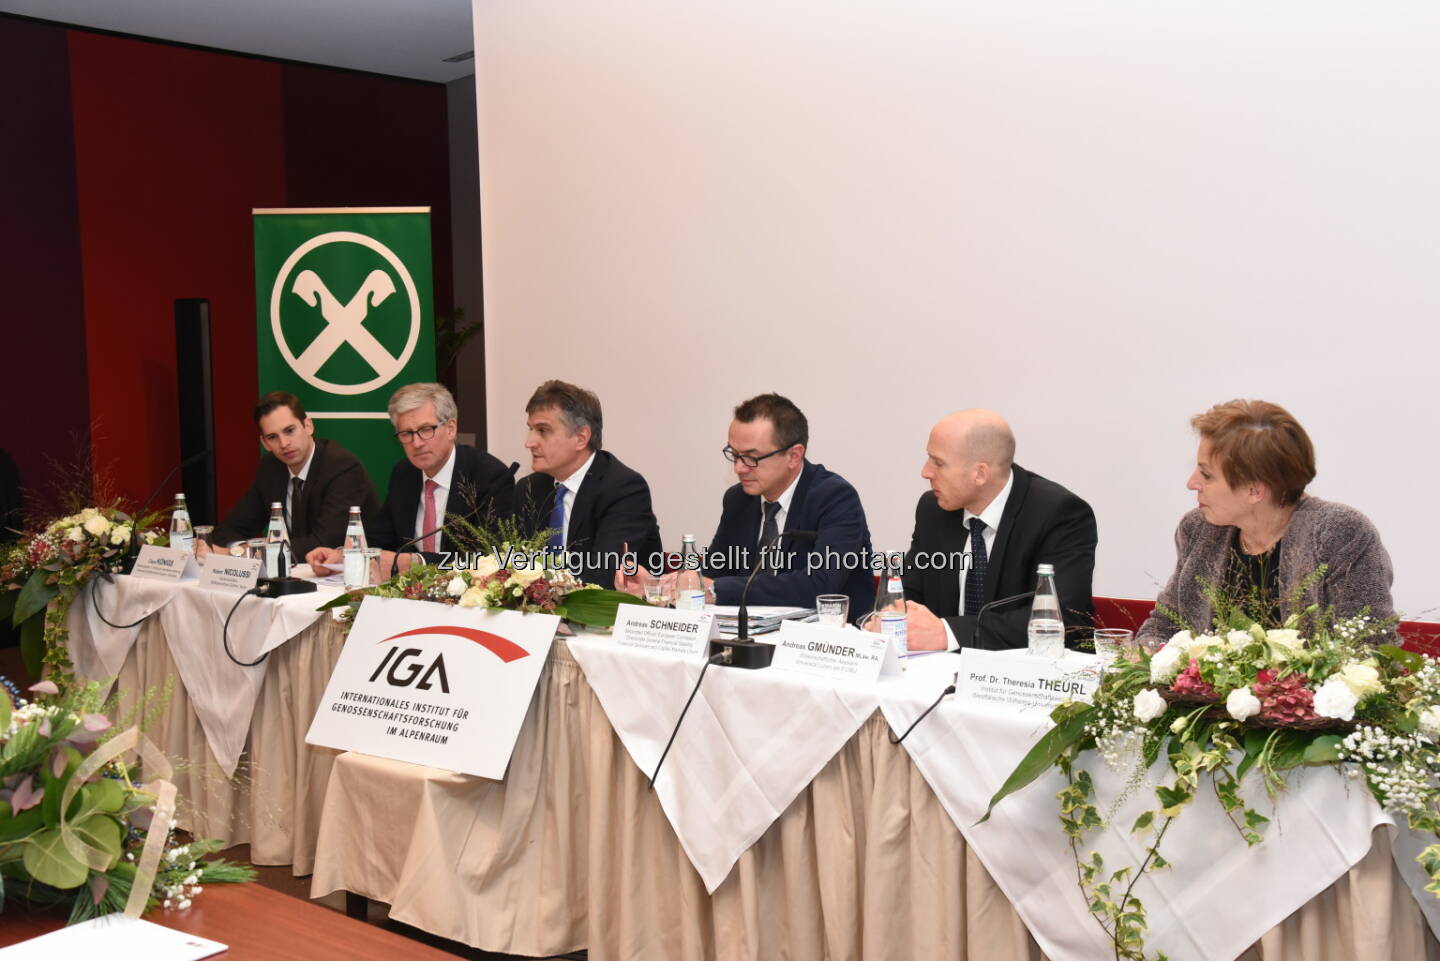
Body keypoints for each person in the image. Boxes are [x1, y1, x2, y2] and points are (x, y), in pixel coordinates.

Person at [1136, 399, 1394, 645]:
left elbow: (1369, 650)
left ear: (1254, 491)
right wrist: (1146, 655)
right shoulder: (1199, 528)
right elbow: (1164, 626)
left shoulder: (1340, 533)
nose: (1191, 483)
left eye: (1206, 474)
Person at [620, 393, 872, 616]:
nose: (738, 468)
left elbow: (818, 585)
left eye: (751, 458)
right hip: (751, 634)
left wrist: (714, 588)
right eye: (734, 454)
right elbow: (715, 570)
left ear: (794, 456)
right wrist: (657, 585)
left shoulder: (835, 498)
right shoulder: (738, 499)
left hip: (824, 644)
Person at [900, 410, 1097, 650]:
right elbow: (908, 592)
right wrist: (891, 614)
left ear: (980, 474)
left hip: (1021, 678)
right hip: (938, 672)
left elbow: (1065, 618)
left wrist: (949, 634)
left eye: (938, 463)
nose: (926, 472)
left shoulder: (1058, 514)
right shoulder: (933, 510)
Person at [307, 382, 514, 574]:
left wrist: (416, 562)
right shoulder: (405, 474)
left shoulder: (489, 476)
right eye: (406, 433)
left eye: (426, 430)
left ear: (451, 429)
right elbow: (380, 538)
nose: (416, 443)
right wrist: (343, 555)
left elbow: (492, 558)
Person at [512, 380, 662, 586]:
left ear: (581, 438)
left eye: (543, 430)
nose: (529, 442)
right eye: (530, 429)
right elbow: (514, 564)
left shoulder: (624, 489)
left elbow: (603, 578)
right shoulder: (529, 488)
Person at [210, 392, 379, 561]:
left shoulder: (342, 466)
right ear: (265, 443)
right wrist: (235, 550)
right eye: (273, 437)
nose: (284, 444)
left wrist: (247, 552)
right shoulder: (271, 468)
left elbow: (324, 542)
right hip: (297, 575)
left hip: (355, 575)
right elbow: (229, 530)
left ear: (308, 426)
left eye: (289, 431)